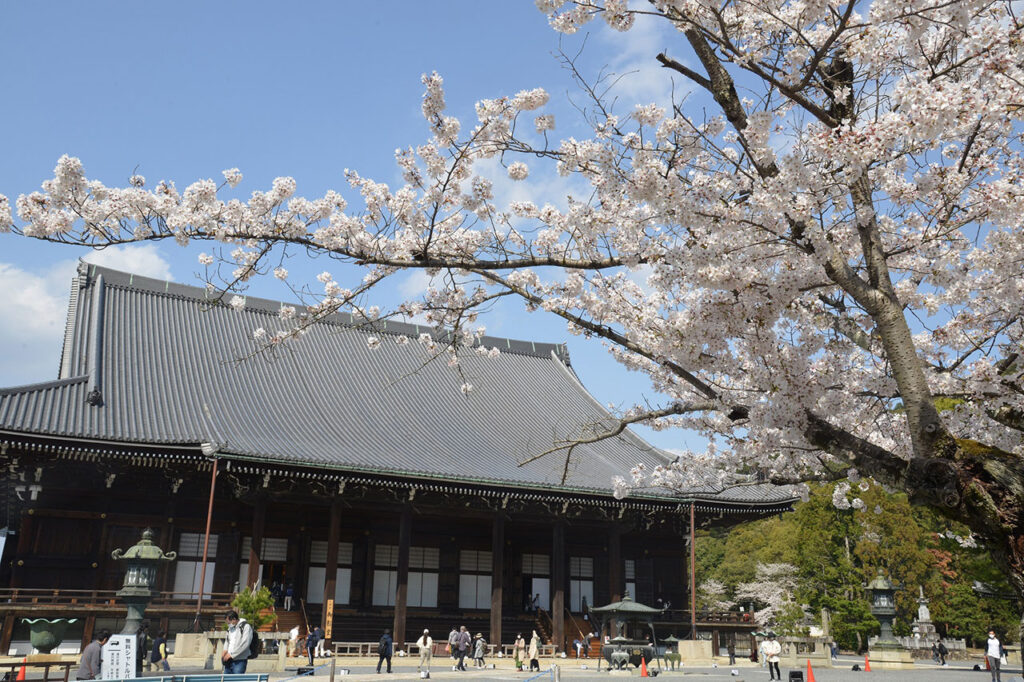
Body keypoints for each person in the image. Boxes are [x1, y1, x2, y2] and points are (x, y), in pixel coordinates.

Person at [222, 610, 254, 674]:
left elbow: (245, 643)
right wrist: (224, 651)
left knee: (237, 679)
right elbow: (227, 641)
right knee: (225, 679)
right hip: (228, 660)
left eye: (229, 623)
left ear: (234, 619)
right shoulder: (230, 629)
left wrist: (232, 655)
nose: (228, 624)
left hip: (240, 660)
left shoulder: (246, 627)